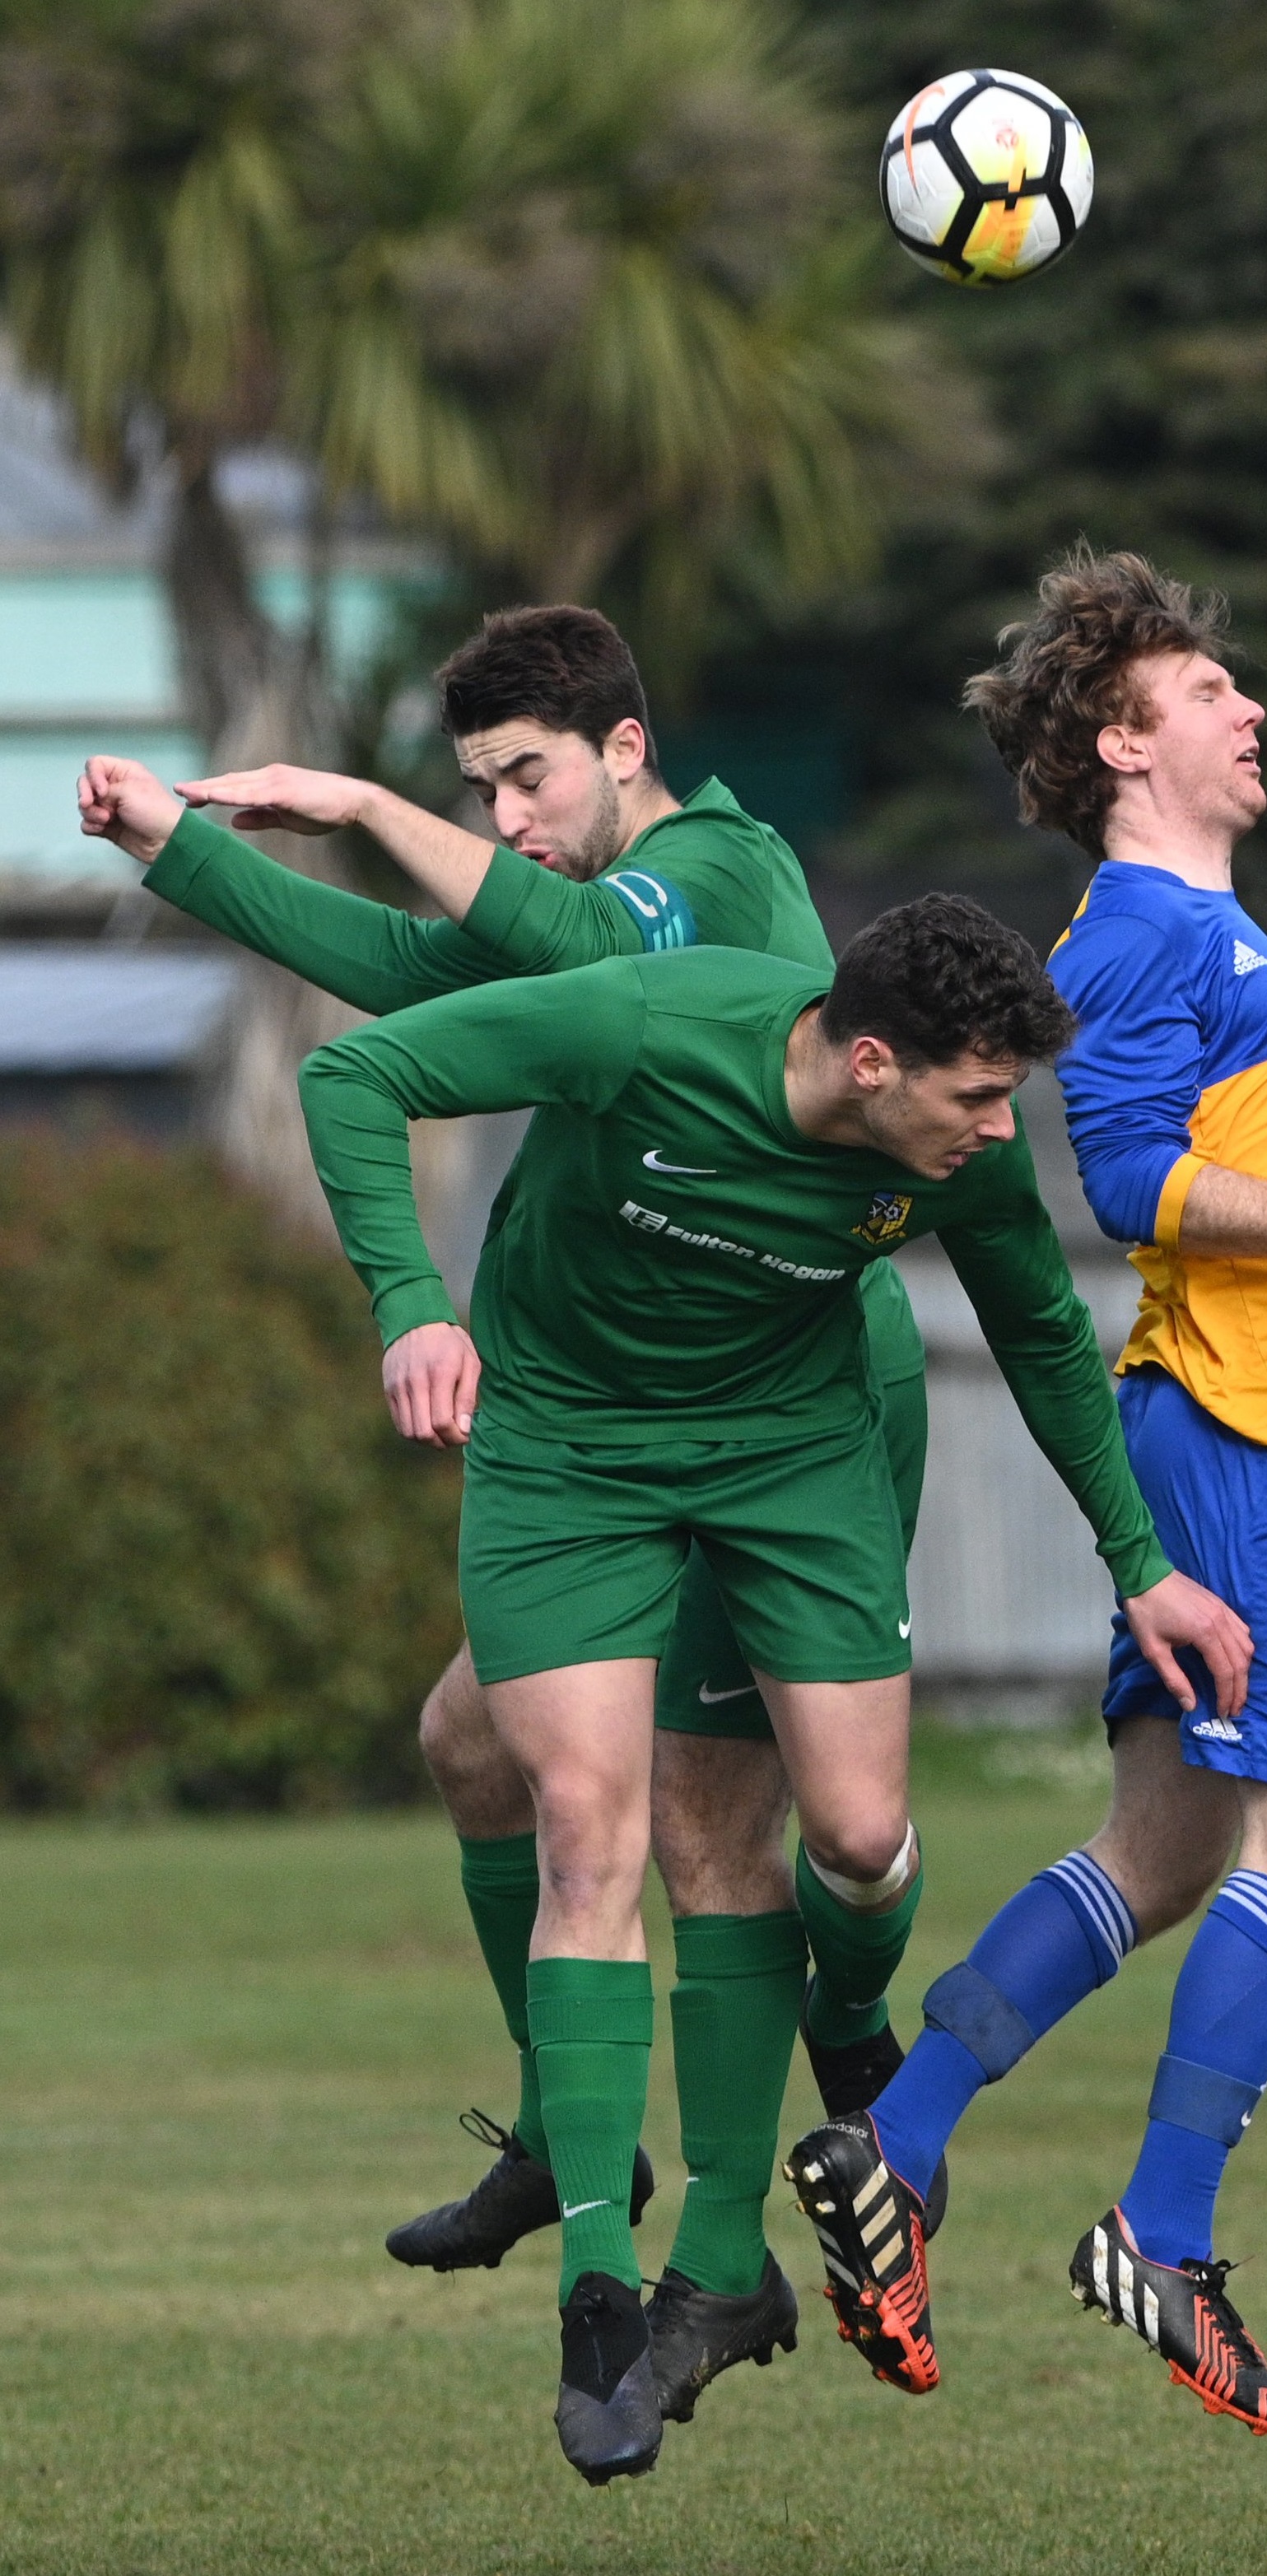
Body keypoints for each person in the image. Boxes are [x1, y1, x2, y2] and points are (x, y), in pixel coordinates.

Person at [77, 603, 940, 2423]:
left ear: (622, 749)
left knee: (772, 1842)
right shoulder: (590, 889)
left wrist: (361, 795)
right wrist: (182, 845)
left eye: (524, 778)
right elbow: (417, 978)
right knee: (475, 1742)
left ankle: (791, 2138)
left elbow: (526, 921)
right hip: (622, 1409)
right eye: (480, 786)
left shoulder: (721, 866)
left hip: (785, 1400)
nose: (510, 817)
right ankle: (569, 2132)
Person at [785, 546, 1267, 2438]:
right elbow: (1130, 1183)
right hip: (1255, 1444)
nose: (1245, 709)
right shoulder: (1136, 937)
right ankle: (1160, 2232)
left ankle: (901, 2136)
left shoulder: (1208, 927)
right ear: (1119, 739)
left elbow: (1225, 1222)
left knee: (1166, 1849)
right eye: (1205, 694)